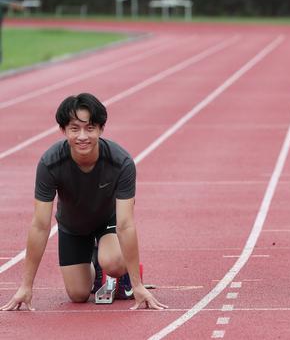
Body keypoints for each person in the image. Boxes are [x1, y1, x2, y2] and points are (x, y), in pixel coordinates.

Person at [1, 93, 167, 311]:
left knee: (114, 262)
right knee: (78, 295)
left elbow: (125, 224)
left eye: (89, 128)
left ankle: (121, 274)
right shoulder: (50, 163)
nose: (82, 136)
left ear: (100, 129)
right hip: (73, 227)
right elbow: (40, 225)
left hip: (108, 222)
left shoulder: (121, 163)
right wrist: (26, 285)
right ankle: (96, 265)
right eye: (74, 129)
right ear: (63, 130)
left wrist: (138, 285)